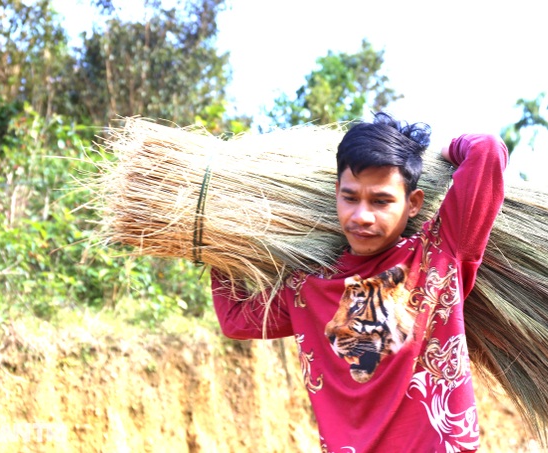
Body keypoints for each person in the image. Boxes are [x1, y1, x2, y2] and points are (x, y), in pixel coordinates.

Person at [210, 112, 508, 452]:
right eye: (350, 198)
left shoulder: (436, 255)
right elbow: (236, 320)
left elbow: (487, 150)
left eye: (381, 201)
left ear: (413, 204)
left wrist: (445, 153)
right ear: (336, 193)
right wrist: (218, 240)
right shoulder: (306, 287)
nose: (361, 216)